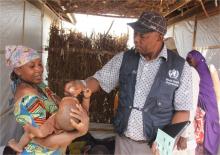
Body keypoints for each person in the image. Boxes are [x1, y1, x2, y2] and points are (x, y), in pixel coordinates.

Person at [64, 11, 193, 155]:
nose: (136, 39)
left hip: (153, 147)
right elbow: (100, 80)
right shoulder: (124, 59)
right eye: (135, 34)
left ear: (160, 37)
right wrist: (82, 84)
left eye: (143, 36)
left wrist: (164, 143)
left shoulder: (180, 67)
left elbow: (182, 110)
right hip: (123, 142)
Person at [4, 45, 89, 154]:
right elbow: (45, 141)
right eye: (32, 66)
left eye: (40, 64)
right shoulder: (29, 98)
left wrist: (70, 98)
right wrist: (80, 132)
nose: (39, 69)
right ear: (18, 70)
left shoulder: (38, 84)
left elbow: (58, 103)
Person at [8, 89, 91, 153]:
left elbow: (40, 133)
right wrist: (86, 98)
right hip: (53, 141)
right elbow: (83, 116)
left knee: (30, 134)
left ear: (59, 109)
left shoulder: (49, 127)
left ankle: (19, 146)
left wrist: (29, 128)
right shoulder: (69, 126)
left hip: (43, 138)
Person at [186, 50, 220, 155]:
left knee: (210, 131)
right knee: (203, 133)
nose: (189, 62)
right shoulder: (194, 71)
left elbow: (213, 90)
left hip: (211, 107)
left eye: (190, 59)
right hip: (202, 110)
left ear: (197, 57)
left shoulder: (207, 69)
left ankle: (210, 151)